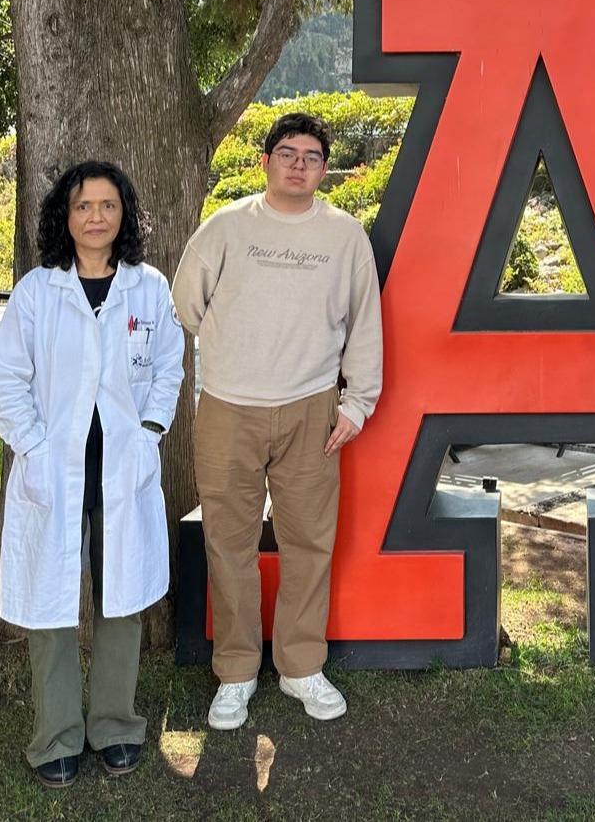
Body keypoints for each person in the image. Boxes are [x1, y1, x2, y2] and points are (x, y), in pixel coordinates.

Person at [172, 112, 382, 731]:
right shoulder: (227, 227)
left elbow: (364, 321)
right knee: (229, 542)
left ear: (324, 169)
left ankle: (300, 666)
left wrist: (357, 402)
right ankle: (236, 671)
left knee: (309, 543)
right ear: (265, 161)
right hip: (228, 407)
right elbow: (186, 304)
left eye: (312, 156)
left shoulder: (345, 236)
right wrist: (231, 348)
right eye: (287, 153)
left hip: (312, 407)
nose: (299, 165)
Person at [0, 161, 185, 787]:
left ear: (124, 214)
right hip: (55, 471)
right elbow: (6, 380)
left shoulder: (148, 288)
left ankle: (116, 727)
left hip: (122, 469)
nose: (95, 217)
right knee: (51, 601)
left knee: (120, 598)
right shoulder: (37, 292)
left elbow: (170, 368)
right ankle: (56, 737)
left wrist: (149, 431)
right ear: (64, 216)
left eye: (107, 205)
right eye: (83, 206)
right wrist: (34, 448)